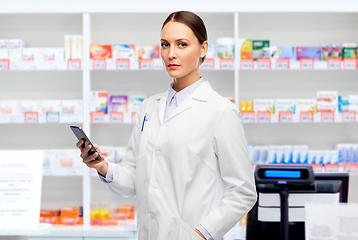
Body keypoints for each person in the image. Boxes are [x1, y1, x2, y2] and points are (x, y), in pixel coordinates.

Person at [77, 11, 257, 240]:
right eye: (165, 45)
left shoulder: (221, 111)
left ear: (203, 49)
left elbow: (244, 192)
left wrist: (202, 234)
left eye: (182, 44)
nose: (171, 54)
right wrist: (101, 166)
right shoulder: (148, 108)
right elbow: (135, 179)